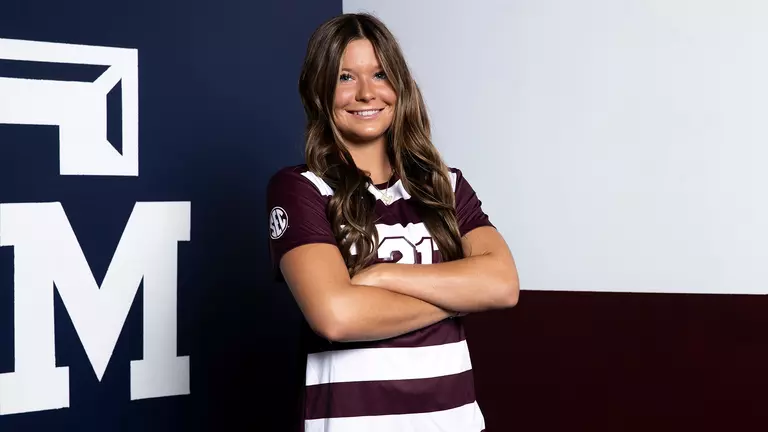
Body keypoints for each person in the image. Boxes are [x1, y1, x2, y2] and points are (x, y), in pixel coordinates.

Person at [266, 12, 519, 432]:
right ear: (319, 90)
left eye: (380, 74)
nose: (366, 93)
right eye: (346, 77)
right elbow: (336, 316)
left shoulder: (446, 185)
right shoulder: (300, 188)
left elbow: (503, 285)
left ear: (400, 85)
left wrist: (381, 275)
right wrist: (460, 291)